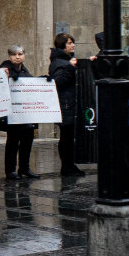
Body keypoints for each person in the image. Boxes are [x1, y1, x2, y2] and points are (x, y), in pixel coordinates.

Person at [0, 45, 37, 181]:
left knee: (27, 141)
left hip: (26, 113)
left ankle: (24, 168)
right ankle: (10, 170)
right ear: (9, 56)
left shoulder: (24, 69)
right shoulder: (4, 68)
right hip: (13, 113)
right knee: (13, 142)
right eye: (14, 54)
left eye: (20, 54)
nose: (17, 57)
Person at [48, 33, 81, 177]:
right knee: (66, 137)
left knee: (69, 137)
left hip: (70, 103)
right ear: (62, 45)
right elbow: (58, 82)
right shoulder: (58, 62)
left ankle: (70, 165)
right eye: (68, 43)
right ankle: (66, 167)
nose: (72, 45)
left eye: (72, 43)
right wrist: (70, 67)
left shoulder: (65, 61)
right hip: (65, 104)